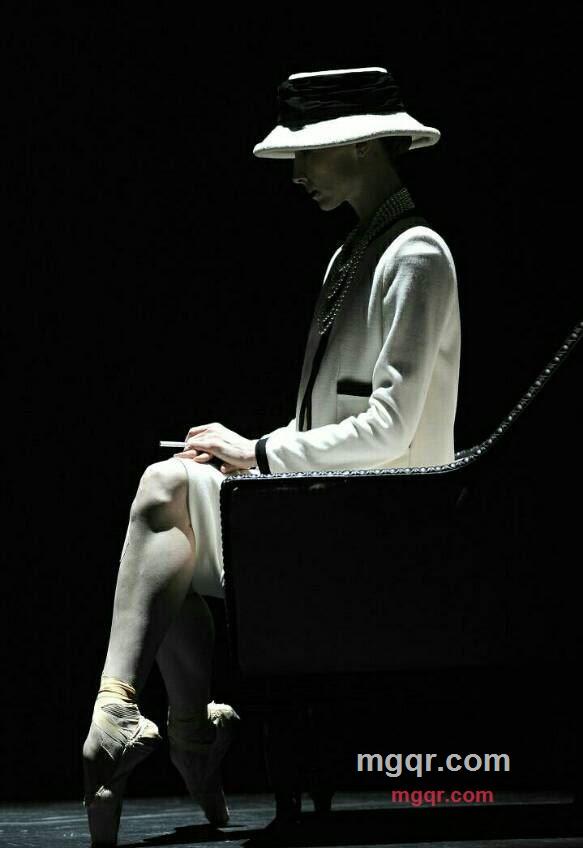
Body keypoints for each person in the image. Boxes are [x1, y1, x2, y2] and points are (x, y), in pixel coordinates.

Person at [82, 65, 461, 845]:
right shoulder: (356, 251)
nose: (296, 173)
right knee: (169, 502)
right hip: (326, 510)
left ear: (359, 146)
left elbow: (391, 430)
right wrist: (247, 454)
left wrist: (257, 452)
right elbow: (329, 421)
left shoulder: (415, 255)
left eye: (307, 154)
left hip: (381, 529)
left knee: (166, 502)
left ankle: (149, 722)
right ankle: (156, 722)